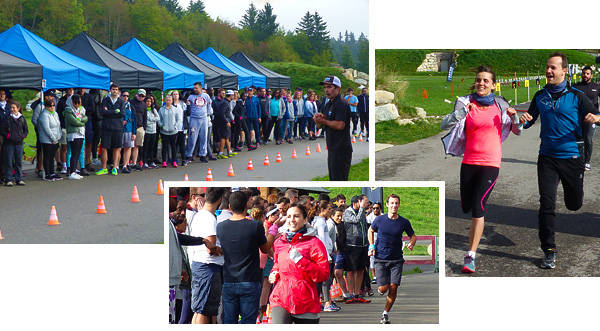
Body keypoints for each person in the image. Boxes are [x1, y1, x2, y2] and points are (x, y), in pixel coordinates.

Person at [519, 52, 600, 269]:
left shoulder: (576, 95)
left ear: (564, 70)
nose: (548, 71)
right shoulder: (540, 96)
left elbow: (597, 115)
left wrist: (595, 117)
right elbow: (529, 121)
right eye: (547, 67)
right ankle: (549, 250)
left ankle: (576, 195)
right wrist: (523, 121)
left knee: (574, 205)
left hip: (572, 157)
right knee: (546, 204)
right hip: (546, 157)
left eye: (553, 68)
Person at [441, 65, 522, 273]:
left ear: (493, 85)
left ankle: (470, 256)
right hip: (469, 162)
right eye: (478, 80)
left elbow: (518, 131)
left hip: (491, 163)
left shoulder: (501, 105)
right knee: (466, 206)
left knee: (478, 206)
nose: (481, 84)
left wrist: (514, 118)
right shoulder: (465, 103)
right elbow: (444, 124)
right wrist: (460, 113)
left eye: (486, 81)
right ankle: (472, 238)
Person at [216, 191, 286, 324]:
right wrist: (274, 228)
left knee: (229, 320)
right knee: (248, 320)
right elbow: (265, 248)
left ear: (230, 207)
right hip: (249, 280)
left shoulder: (221, 227)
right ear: (247, 205)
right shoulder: (255, 226)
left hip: (229, 280)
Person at [268, 204, 330, 324]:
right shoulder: (279, 242)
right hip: (280, 299)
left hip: (306, 302)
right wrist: (274, 272)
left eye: (296, 216)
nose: (292, 220)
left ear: (305, 220)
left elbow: (323, 274)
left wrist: (301, 261)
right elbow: (277, 263)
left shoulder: (314, 243)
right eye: (289, 216)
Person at [368, 194, 417, 324]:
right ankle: (382, 286)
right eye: (392, 203)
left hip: (396, 259)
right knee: (383, 289)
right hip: (380, 259)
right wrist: (372, 246)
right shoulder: (380, 220)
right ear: (388, 204)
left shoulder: (404, 222)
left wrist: (411, 243)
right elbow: (370, 231)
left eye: (396, 203)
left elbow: (413, 236)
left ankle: (385, 313)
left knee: (394, 287)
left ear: (398, 205)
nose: (394, 205)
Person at [188, 187, 225, 324]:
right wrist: (225, 250)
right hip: (208, 267)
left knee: (200, 309)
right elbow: (211, 247)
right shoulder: (208, 217)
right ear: (219, 200)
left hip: (201, 265)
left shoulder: (200, 215)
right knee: (205, 310)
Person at [314, 76, 352, 181]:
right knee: (333, 178)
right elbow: (321, 126)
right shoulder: (328, 104)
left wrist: (324, 121)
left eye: (329, 87)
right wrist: (318, 120)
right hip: (332, 149)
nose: (326, 90)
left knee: (339, 179)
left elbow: (340, 125)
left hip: (341, 149)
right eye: (325, 87)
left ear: (337, 88)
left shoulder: (341, 103)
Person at [343, 195, 371, 304]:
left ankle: (357, 293)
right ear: (356, 202)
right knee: (351, 270)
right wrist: (362, 209)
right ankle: (350, 294)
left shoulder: (361, 212)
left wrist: (368, 243)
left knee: (360, 269)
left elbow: (364, 226)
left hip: (363, 245)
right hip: (352, 245)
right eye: (363, 202)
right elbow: (356, 220)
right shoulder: (348, 212)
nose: (365, 205)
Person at [572, 66, 600, 171]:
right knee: (577, 140)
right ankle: (577, 160)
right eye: (584, 73)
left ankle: (586, 162)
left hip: (591, 118)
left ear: (591, 75)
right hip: (578, 118)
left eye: (588, 73)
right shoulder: (575, 87)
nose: (585, 75)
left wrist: (598, 116)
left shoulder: (596, 87)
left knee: (588, 140)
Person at [96, 83, 125, 176]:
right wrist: (115, 111)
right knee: (104, 148)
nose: (114, 91)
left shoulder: (121, 101)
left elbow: (122, 113)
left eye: (116, 89)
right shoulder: (105, 100)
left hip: (117, 128)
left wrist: (110, 111)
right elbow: (104, 112)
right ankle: (104, 168)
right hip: (106, 127)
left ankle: (114, 168)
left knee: (116, 148)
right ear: (110, 90)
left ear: (118, 91)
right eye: (113, 89)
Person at [1, 101, 28, 186]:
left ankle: (19, 179)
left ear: (18, 108)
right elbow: (2, 130)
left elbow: (26, 130)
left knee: (18, 162)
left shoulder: (22, 118)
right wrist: (8, 136)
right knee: (9, 162)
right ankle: (9, 179)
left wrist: (23, 136)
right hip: (9, 143)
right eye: (11, 108)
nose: (12, 109)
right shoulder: (7, 119)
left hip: (19, 143)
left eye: (14, 108)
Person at [185, 82, 212, 164]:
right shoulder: (191, 97)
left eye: (196, 88)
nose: (195, 90)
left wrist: (207, 115)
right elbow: (188, 108)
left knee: (204, 138)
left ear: (201, 87)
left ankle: (203, 155)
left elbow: (209, 107)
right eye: (194, 88)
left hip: (204, 119)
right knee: (192, 138)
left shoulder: (206, 96)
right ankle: (188, 155)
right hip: (194, 119)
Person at [64, 94, 88, 179]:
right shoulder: (68, 111)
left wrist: (81, 120)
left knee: (78, 153)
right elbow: (74, 122)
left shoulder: (79, 110)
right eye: (75, 103)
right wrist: (82, 122)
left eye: (79, 103)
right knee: (74, 153)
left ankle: (74, 171)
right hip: (73, 134)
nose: (77, 105)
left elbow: (85, 118)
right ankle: (71, 172)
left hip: (80, 133)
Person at [38, 100, 62, 181]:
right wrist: (53, 138)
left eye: (53, 105)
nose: (52, 107)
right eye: (50, 106)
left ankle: (52, 172)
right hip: (47, 139)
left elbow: (58, 125)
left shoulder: (55, 114)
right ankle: (47, 173)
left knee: (52, 156)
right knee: (47, 156)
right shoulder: (44, 115)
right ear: (46, 107)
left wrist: (58, 136)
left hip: (55, 137)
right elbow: (46, 128)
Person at [158, 95, 181, 168]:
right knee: (164, 146)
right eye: (167, 100)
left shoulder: (175, 109)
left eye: (170, 100)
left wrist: (175, 126)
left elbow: (178, 119)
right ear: (165, 100)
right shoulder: (161, 110)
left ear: (172, 101)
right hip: (164, 131)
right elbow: (158, 119)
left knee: (173, 146)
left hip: (173, 131)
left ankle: (174, 161)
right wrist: (161, 126)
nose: (168, 101)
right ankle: (164, 161)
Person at [129, 89, 147, 171]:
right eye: (140, 95)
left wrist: (144, 127)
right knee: (129, 146)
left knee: (137, 146)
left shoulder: (144, 105)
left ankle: (134, 163)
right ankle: (127, 162)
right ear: (137, 95)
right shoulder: (131, 102)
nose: (141, 97)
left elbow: (145, 117)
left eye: (143, 96)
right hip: (131, 125)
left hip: (140, 126)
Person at [120, 92, 136, 173]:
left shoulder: (131, 107)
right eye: (124, 96)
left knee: (128, 148)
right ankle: (116, 166)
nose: (125, 97)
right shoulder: (118, 105)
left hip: (128, 130)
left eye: (127, 96)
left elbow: (134, 120)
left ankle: (125, 166)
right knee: (118, 148)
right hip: (119, 130)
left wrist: (134, 133)